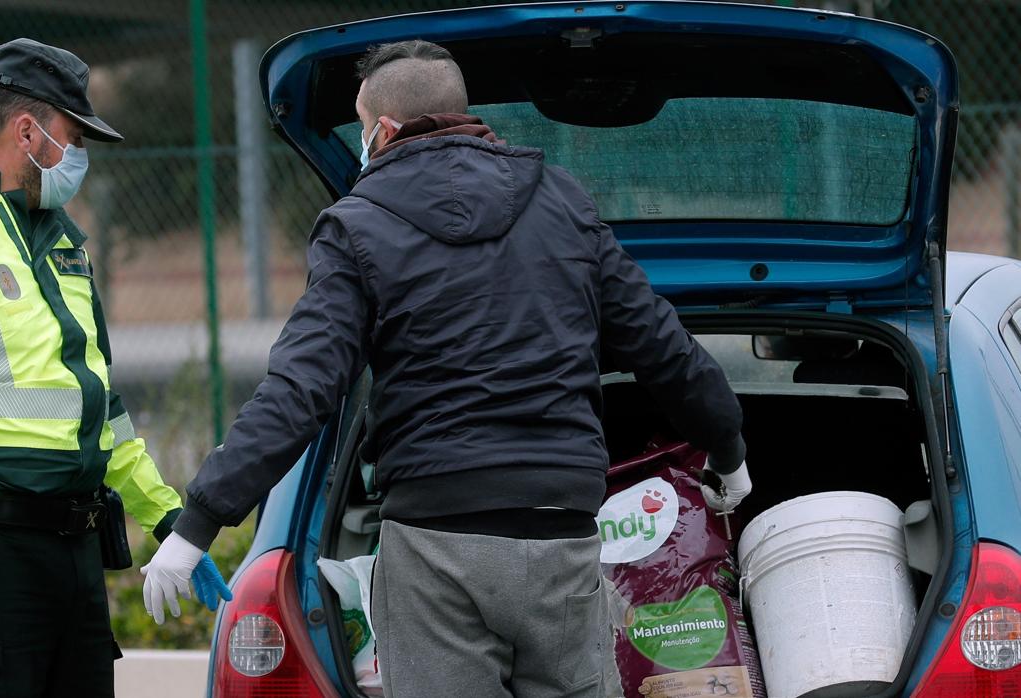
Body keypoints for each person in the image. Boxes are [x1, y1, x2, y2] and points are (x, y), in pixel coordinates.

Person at [141, 40, 751, 697]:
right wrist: (727, 451)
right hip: (559, 533)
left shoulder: (358, 225)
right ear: (462, 112)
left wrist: (197, 522)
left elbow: (302, 388)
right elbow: (662, 347)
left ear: (380, 130)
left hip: (436, 540)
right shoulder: (562, 203)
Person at [0, 38, 229, 697]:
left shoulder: (60, 244)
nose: (77, 157)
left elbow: (98, 411)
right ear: (26, 131)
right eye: (72, 137)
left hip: (74, 559)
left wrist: (167, 518)